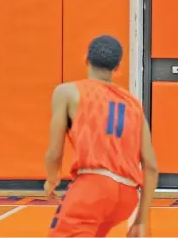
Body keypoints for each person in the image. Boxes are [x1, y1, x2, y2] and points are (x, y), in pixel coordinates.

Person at [43, 35, 158, 237]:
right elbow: (151, 167)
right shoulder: (133, 104)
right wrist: (141, 220)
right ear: (118, 67)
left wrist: (51, 180)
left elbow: (54, 153)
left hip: (93, 187)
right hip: (127, 196)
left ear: (86, 59)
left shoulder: (67, 92)